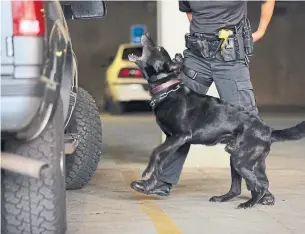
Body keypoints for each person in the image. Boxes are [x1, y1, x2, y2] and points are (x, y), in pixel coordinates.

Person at [145, 0, 276, 204]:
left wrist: (260, 32)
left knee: (249, 123)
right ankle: (162, 181)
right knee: (178, 119)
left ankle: (260, 188)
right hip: (197, 58)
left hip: (231, 60)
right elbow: (189, 12)